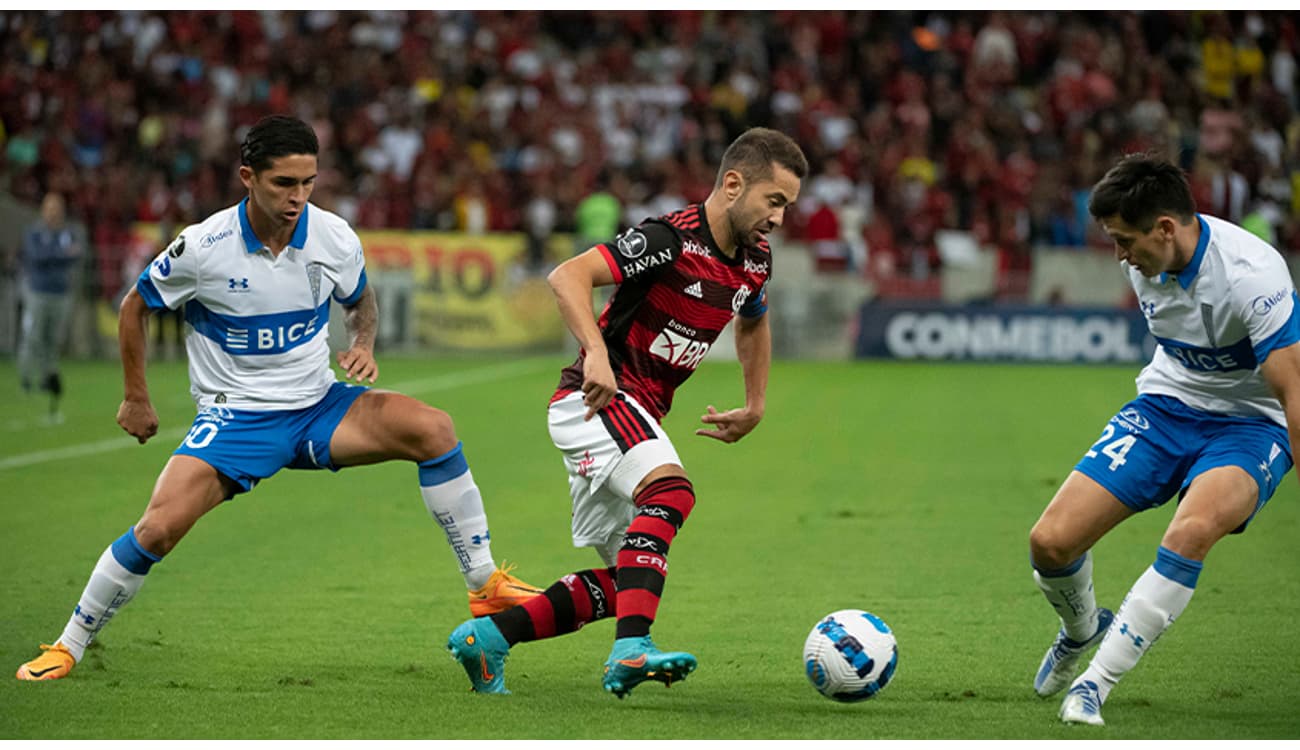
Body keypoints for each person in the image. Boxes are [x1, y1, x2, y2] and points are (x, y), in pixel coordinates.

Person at [15, 115, 540, 682]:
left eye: (308, 182)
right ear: (248, 177)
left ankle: (483, 584)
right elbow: (133, 306)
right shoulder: (203, 246)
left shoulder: (334, 237)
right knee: (158, 529)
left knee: (434, 428)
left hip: (318, 407)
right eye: (283, 184)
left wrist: (362, 341)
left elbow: (360, 302)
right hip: (237, 419)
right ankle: (68, 645)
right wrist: (135, 397)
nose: (298, 197)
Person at [447, 127, 808, 697]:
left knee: (630, 581)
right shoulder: (671, 238)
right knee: (672, 493)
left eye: (787, 206)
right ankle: (631, 651)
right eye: (775, 201)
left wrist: (756, 403)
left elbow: (754, 318)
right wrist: (596, 353)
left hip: (634, 416)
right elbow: (567, 275)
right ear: (734, 184)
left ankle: (488, 639)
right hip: (595, 402)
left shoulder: (756, 262)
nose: (780, 219)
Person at [1028, 153, 1300, 725]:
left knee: (1191, 529)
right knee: (1050, 542)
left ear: (1166, 228)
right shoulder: (1141, 261)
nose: (1121, 255)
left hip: (1252, 424)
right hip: (1165, 406)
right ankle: (1081, 630)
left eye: (1126, 240)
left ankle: (1094, 684)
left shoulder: (1252, 275)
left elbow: (1292, 392)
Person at [18, 192, 82, 422]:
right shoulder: (35, 233)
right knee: (33, 336)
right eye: (50, 207)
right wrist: (61, 255)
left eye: (57, 207)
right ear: (44, 210)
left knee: (53, 339)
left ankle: (47, 378)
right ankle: (26, 378)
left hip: (60, 294)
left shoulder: (67, 232)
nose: (54, 212)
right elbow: (36, 256)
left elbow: (77, 253)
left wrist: (55, 256)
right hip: (38, 292)